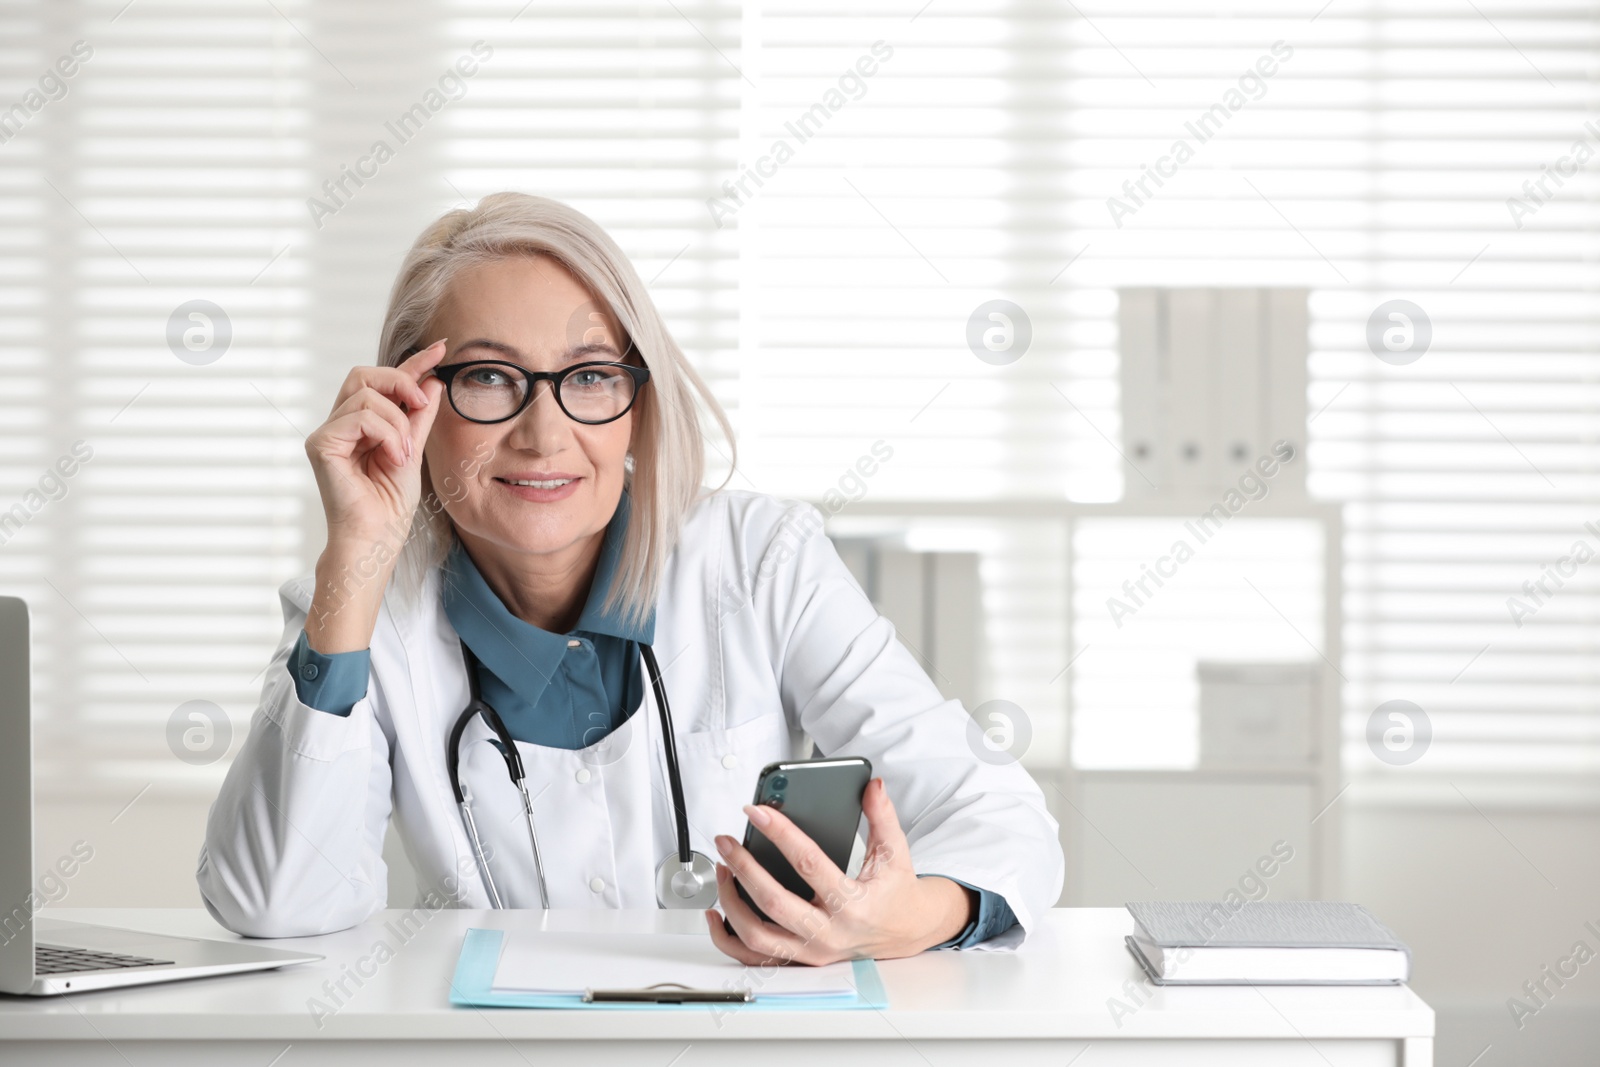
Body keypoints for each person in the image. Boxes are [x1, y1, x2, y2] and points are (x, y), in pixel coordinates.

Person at [197, 192, 1062, 964]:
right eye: (491, 378)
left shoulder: (760, 559)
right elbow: (275, 903)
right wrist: (353, 560)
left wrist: (906, 918)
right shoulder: (360, 606)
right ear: (410, 404)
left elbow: (1004, 822)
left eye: (591, 377)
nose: (544, 433)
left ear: (640, 409)